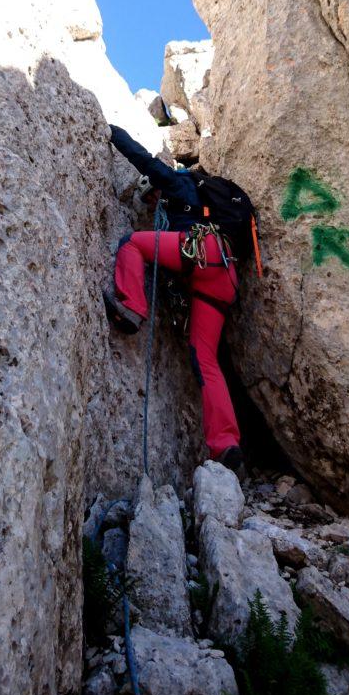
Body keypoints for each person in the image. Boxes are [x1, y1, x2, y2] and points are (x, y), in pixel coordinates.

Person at [104, 124, 246, 475]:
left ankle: (133, 308)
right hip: (223, 277)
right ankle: (227, 446)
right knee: (204, 359)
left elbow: (144, 160)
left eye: (150, 197)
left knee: (133, 243)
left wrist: (112, 132)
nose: (152, 203)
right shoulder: (194, 205)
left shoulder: (178, 183)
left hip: (201, 251)